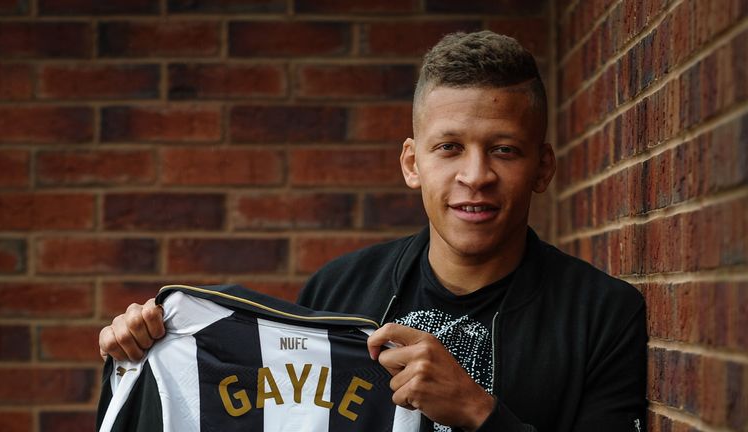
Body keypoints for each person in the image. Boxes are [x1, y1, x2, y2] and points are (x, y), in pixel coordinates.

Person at [99, 31, 647, 431]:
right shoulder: (336, 290)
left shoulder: (603, 315)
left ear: (543, 168)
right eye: (449, 147)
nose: (475, 176)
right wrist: (137, 355)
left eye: (504, 149)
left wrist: (480, 414)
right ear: (413, 163)